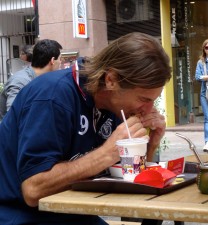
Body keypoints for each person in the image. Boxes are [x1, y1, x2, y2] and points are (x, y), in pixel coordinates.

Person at [0, 32, 171, 225]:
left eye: (153, 101)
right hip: (22, 215)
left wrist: (150, 145)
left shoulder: (113, 106)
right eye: (143, 99)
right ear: (111, 80)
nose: (149, 109)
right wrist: (107, 153)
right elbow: (33, 190)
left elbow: (127, 175)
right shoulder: (52, 97)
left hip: (74, 214)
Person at [0, 39, 62, 122]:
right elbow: (13, 117)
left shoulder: (43, 80)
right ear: (52, 61)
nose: (61, 62)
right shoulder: (20, 81)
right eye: (60, 59)